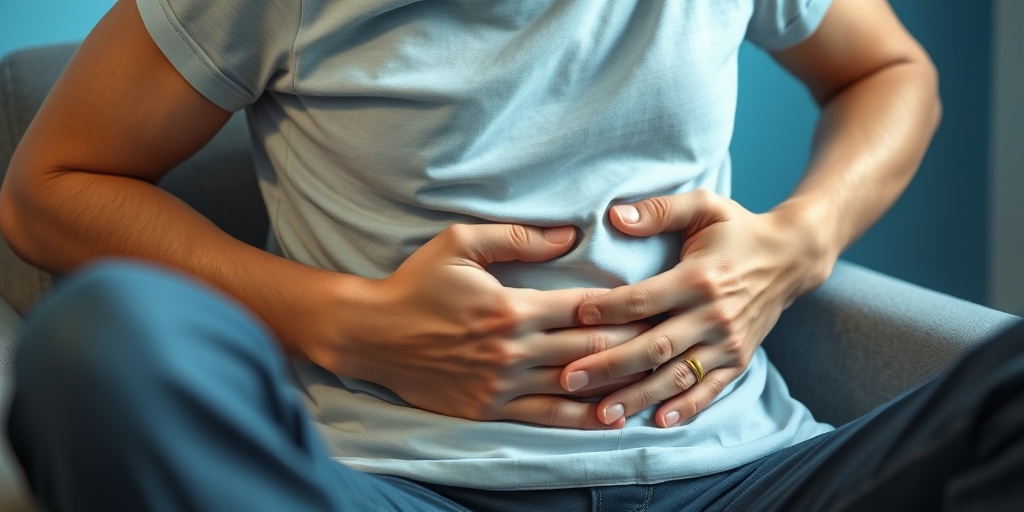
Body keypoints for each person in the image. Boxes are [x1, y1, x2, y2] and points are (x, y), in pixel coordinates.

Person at [2, 0, 1021, 510]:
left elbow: (890, 72)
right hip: (390, 484)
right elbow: (51, 187)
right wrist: (346, 322)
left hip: (736, 476)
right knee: (101, 343)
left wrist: (797, 241)